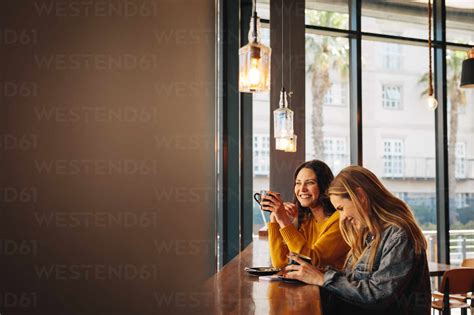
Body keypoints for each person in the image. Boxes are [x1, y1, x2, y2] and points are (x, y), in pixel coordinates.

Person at [284, 165, 431, 314]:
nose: (342, 218)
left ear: (360, 196)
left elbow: (378, 296)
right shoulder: (369, 234)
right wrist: (317, 273)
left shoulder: (399, 236)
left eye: (341, 209)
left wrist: (322, 278)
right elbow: (353, 283)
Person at [261, 160, 349, 270]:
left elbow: (312, 262)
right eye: (298, 183)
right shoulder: (307, 220)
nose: (302, 189)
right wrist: (275, 219)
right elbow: (281, 264)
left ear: (324, 186)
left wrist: (284, 220)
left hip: (330, 286)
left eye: (310, 182)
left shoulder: (340, 220)